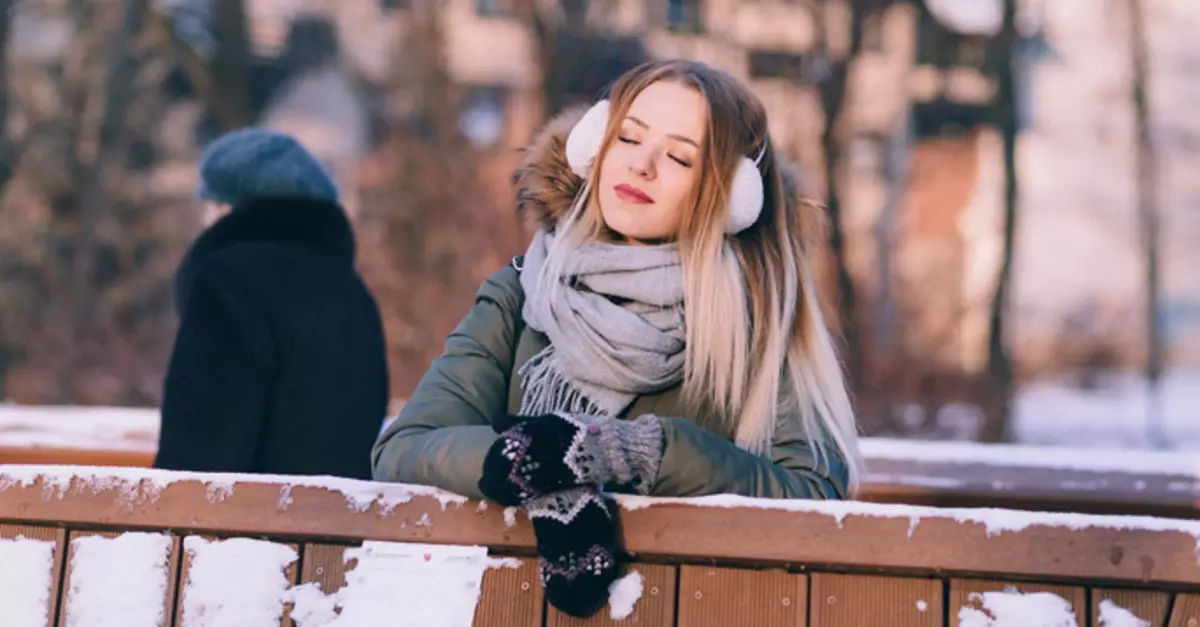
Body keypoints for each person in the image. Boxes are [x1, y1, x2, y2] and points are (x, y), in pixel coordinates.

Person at [372, 60, 861, 617]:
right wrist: (539, 462)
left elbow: (814, 495)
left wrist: (646, 452)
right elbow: (405, 449)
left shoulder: (760, 319)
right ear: (593, 148)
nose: (641, 164)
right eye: (627, 137)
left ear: (730, 198)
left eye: (679, 156)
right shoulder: (521, 292)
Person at [155, 128, 389, 480]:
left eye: (209, 206)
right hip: (343, 528)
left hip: (245, 531)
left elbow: (198, 451)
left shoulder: (229, 281)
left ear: (228, 209)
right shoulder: (354, 293)